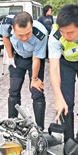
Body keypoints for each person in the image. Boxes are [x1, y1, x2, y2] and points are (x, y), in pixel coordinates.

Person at [0, 12, 48, 130]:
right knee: (14, 91)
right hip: (17, 58)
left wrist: (34, 79)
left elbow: (37, 58)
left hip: (34, 60)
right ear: (13, 29)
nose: (25, 38)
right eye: (20, 35)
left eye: (28, 33)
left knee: (37, 92)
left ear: (31, 26)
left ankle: (39, 128)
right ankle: (12, 125)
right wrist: (10, 57)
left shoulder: (41, 33)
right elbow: (5, 37)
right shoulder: (6, 24)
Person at [49, 4, 78, 143]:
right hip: (66, 63)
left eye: (70, 33)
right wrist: (57, 97)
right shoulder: (55, 34)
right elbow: (54, 67)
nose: (66, 36)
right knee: (66, 101)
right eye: (63, 32)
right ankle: (69, 143)